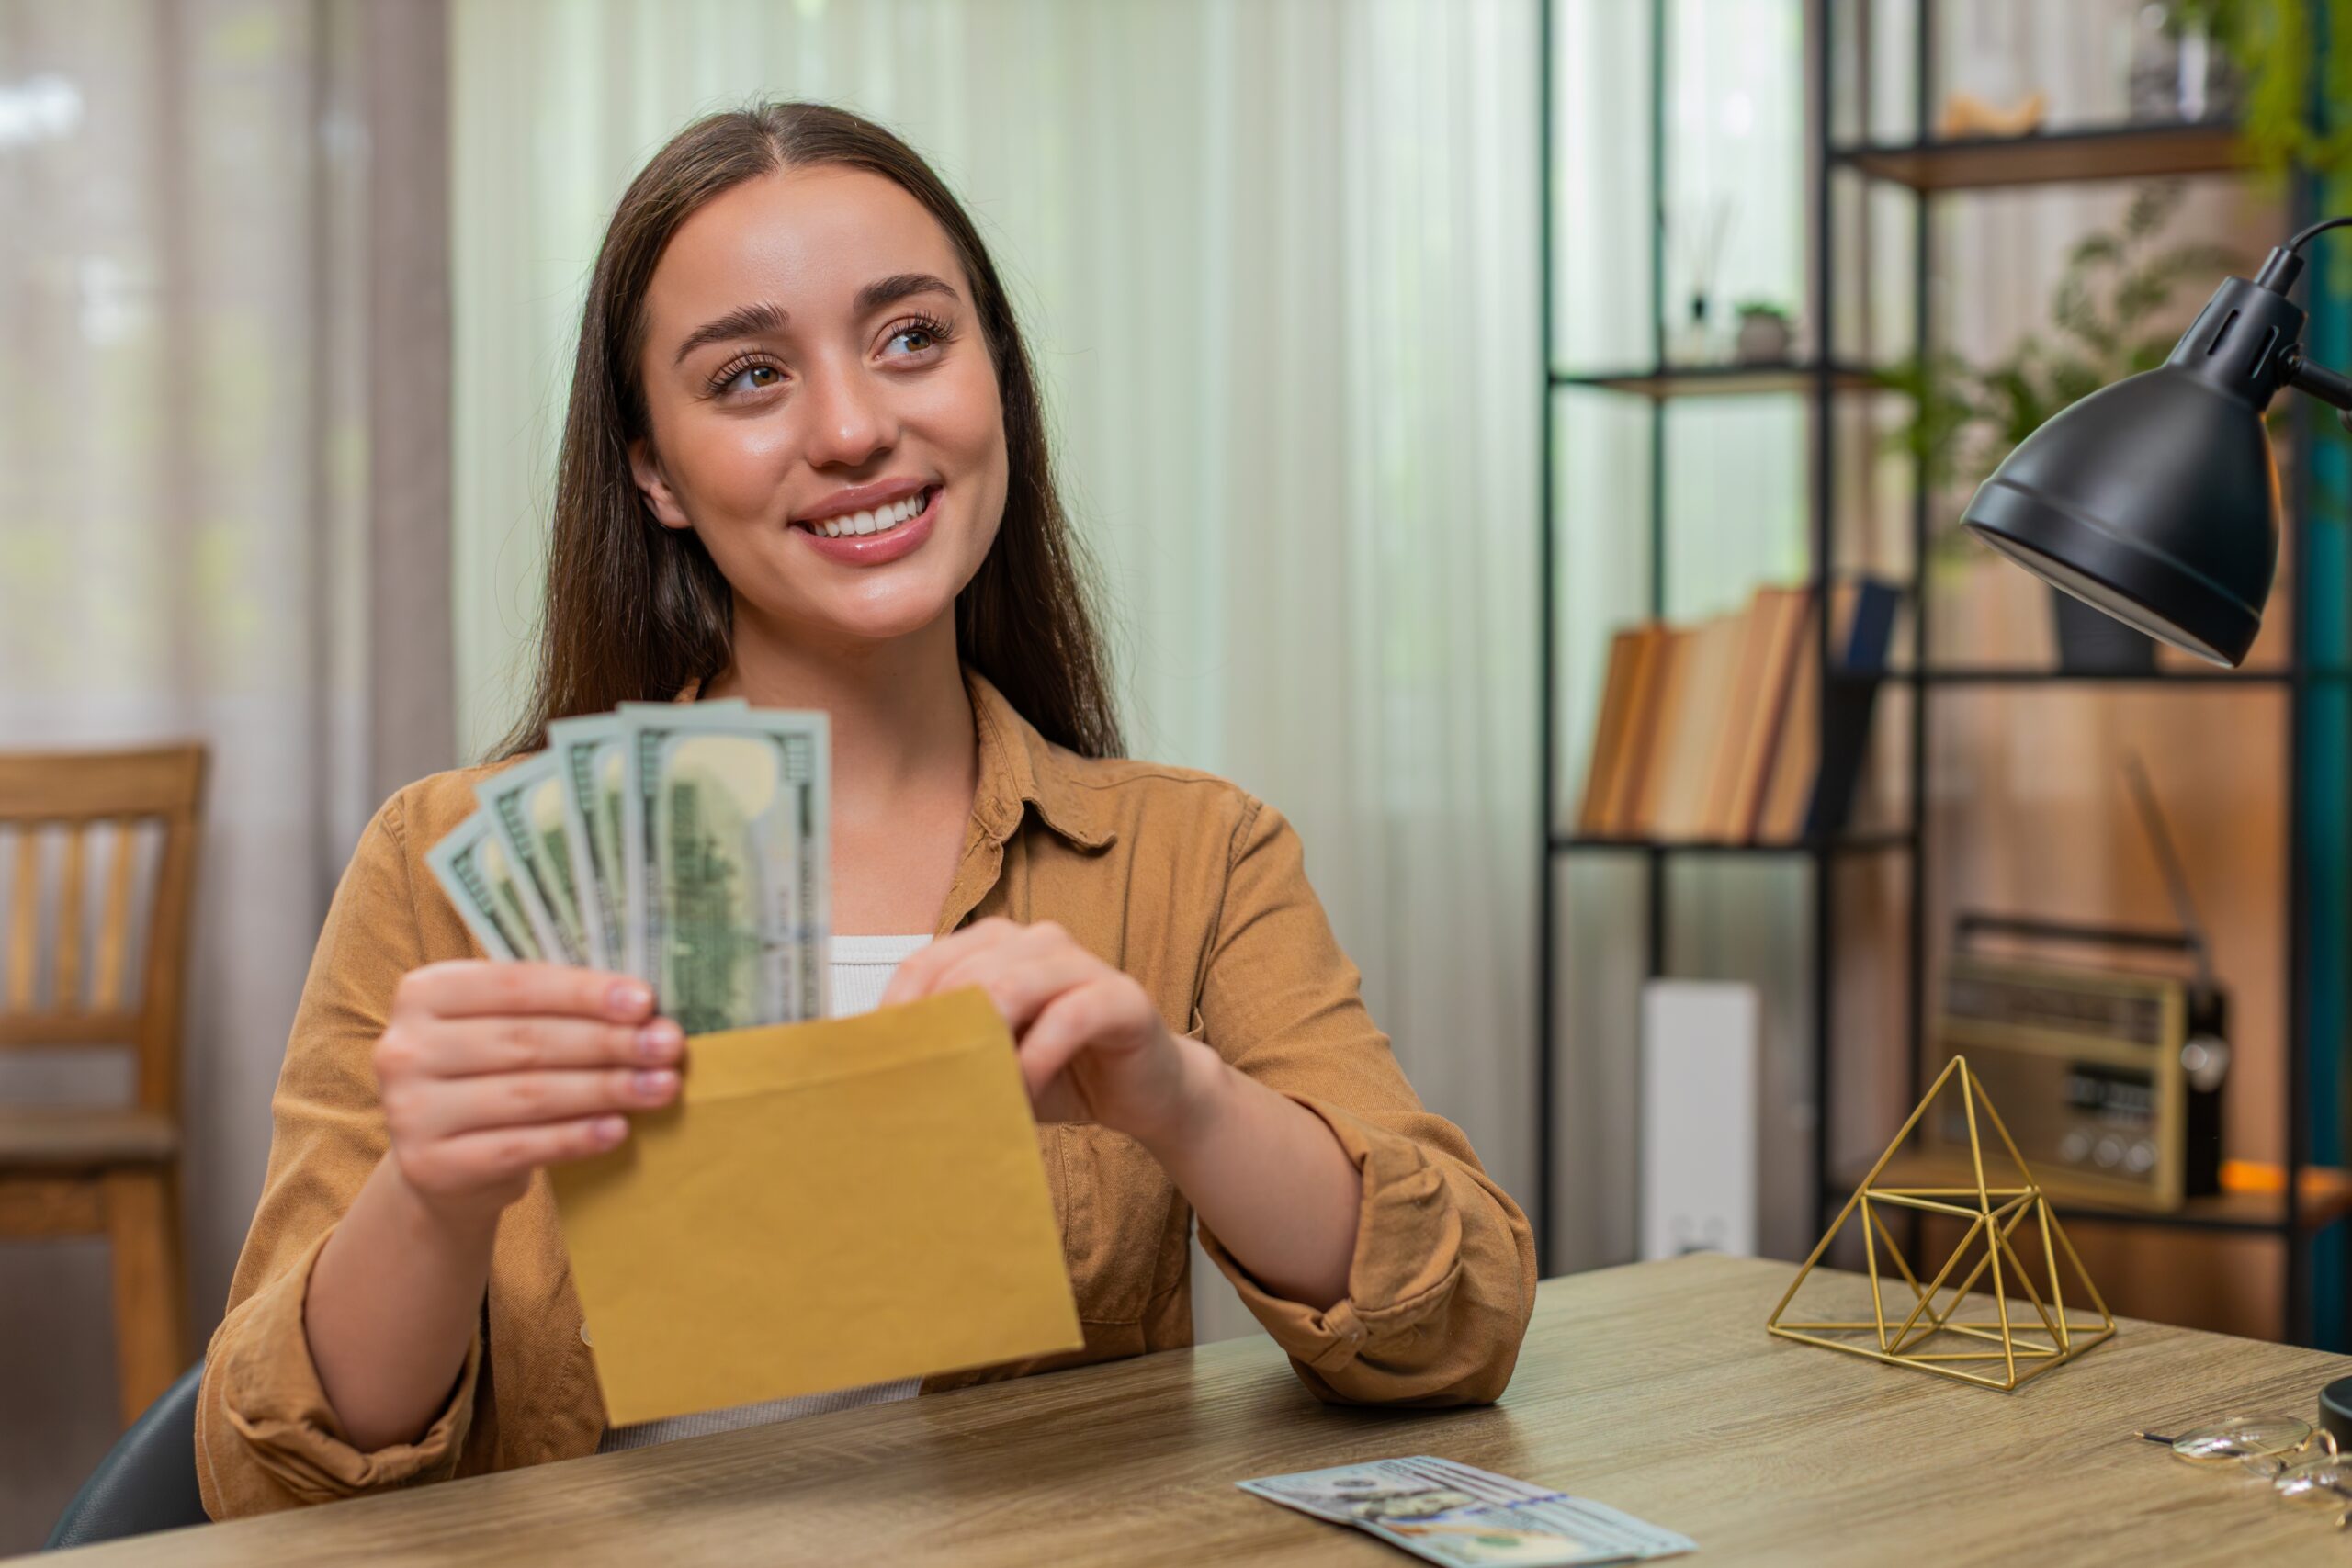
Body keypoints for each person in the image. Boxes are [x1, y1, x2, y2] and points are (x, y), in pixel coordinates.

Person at [197, 100, 1535, 1518]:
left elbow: (1461, 1327)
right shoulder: (442, 864)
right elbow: (262, 1487)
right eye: (749, 376)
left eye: (911, 338)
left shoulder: (1196, 858)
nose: (853, 429)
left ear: (995, 379)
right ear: (653, 469)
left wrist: (1180, 1097)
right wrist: (433, 1199)